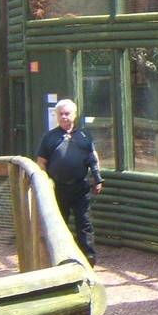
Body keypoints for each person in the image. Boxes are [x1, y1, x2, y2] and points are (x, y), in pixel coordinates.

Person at [35, 98, 102, 264]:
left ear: (74, 115)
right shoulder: (49, 137)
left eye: (67, 113)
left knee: (84, 222)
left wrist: (97, 179)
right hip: (58, 188)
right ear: (56, 116)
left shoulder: (84, 135)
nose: (64, 117)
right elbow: (41, 162)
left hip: (81, 186)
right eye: (61, 114)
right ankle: (60, 258)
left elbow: (93, 159)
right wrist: (46, 183)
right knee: (59, 223)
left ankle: (88, 257)